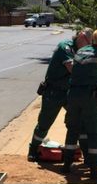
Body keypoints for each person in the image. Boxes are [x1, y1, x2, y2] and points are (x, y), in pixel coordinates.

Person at [27, 28, 93, 161]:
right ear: (80, 36)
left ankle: (87, 155)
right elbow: (72, 68)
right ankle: (33, 150)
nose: (88, 46)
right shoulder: (65, 47)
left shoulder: (81, 50)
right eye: (87, 42)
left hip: (69, 92)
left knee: (81, 121)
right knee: (45, 122)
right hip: (54, 92)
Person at [62, 28, 97, 179]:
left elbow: (75, 71)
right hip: (88, 96)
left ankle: (67, 164)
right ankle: (94, 168)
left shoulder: (80, 52)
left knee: (72, 128)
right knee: (93, 131)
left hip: (73, 95)